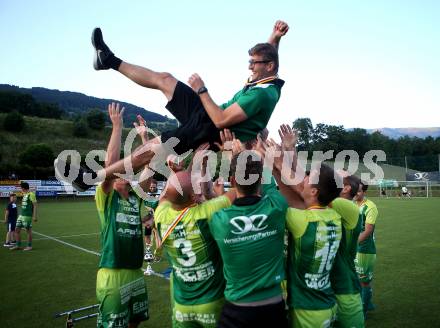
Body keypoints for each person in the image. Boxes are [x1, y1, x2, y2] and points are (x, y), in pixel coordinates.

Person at [91, 20, 289, 155]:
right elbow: (269, 57)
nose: (250, 66)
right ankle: (108, 60)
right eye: (251, 61)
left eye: (254, 63)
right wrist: (275, 37)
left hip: (213, 132)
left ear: (268, 67)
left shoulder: (263, 93)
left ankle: (97, 175)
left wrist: (201, 90)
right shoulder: (263, 78)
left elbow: (221, 121)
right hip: (208, 117)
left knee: (154, 148)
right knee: (165, 79)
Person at [209, 150, 289, 328]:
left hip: (236, 311)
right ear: (260, 180)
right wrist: (253, 152)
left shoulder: (219, 219)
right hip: (273, 309)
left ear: (232, 181)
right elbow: (269, 185)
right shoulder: (277, 207)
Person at [153, 161, 236, 327]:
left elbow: (165, 196)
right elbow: (238, 190)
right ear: (193, 196)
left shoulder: (160, 215)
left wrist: (175, 173)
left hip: (182, 304)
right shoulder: (206, 212)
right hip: (212, 301)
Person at [94, 103, 152, 328]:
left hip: (135, 273)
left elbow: (151, 163)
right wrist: (117, 126)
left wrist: (145, 137)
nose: (122, 172)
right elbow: (110, 166)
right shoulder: (106, 196)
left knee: (134, 322)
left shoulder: (135, 197)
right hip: (113, 273)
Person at [330, 173, 365, 328]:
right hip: (330, 285)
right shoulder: (334, 206)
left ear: (346, 188)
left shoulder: (345, 205)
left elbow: (310, 192)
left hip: (344, 286)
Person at [354, 182, 379, 317]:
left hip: (365, 248)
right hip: (354, 248)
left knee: (364, 280)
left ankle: (363, 311)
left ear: (364, 192)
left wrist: (353, 242)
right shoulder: (352, 204)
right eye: (355, 190)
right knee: (356, 278)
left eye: (358, 191)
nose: (356, 193)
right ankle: (368, 303)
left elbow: (368, 230)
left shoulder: (370, 207)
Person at [10, 182, 37, 251]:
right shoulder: (25, 194)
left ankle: (29, 246)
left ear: (23, 188)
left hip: (27, 216)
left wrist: (34, 216)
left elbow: (35, 205)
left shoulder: (31, 194)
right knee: (17, 230)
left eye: (21, 188)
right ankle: (18, 245)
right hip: (21, 215)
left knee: (28, 231)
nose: (20, 189)